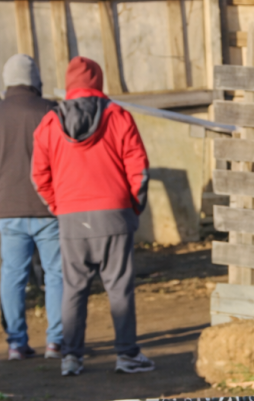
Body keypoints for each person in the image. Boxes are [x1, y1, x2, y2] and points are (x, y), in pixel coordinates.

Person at [31, 56, 154, 377]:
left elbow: (38, 175)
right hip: (114, 213)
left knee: (73, 289)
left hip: (71, 216)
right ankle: (127, 354)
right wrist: (133, 206)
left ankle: (71, 357)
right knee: (119, 288)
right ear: (98, 81)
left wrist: (59, 208)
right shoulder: (117, 116)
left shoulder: (49, 123)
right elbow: (138, 167)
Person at [0, 54, 63, 361]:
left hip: (9, 209)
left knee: (12, 276)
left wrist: (1, 194)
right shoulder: (50, 111)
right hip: (49, 209)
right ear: (34, 79)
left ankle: (16, 343)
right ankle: (56, 342)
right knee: (56, 274)